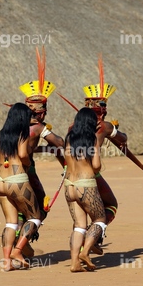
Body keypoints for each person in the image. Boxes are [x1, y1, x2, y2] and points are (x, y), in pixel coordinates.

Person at [16, 46, 65, 257]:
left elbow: (28, 146)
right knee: (40, 209)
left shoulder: (15, 124)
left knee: (19, 209)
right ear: (41, 111)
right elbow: (61, 143)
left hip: (8, 171)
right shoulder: (38, 127)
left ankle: (18, 241)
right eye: (44, 109)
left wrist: (43, 148)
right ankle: (22, 242)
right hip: (27, 170)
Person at [82, 57, 127, 252]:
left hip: (71, 174)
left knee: (83, 212)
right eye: (104, 107)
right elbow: (124, 139)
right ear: (102, 110)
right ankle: (94, 236)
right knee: (111, 205)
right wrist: (115, 131)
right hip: (92, 173)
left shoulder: (73, 126)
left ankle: (88, 239)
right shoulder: (105, 127)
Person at [0, 103, 42, 272]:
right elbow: (22, 155)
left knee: (11, 223)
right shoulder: (22, 133)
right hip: (16, 179)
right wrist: (28, 165)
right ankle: (18, 251)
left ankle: (7, 262)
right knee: (35, 217)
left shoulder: (2, 134)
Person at [64, 107, 106, 272]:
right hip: (85, 184)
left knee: (79, 226)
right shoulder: (92, 139)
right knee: (100, 220)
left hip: (70, 185)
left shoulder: (69, 139)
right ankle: (85, 252)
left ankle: (75, 263)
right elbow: (96, 166)